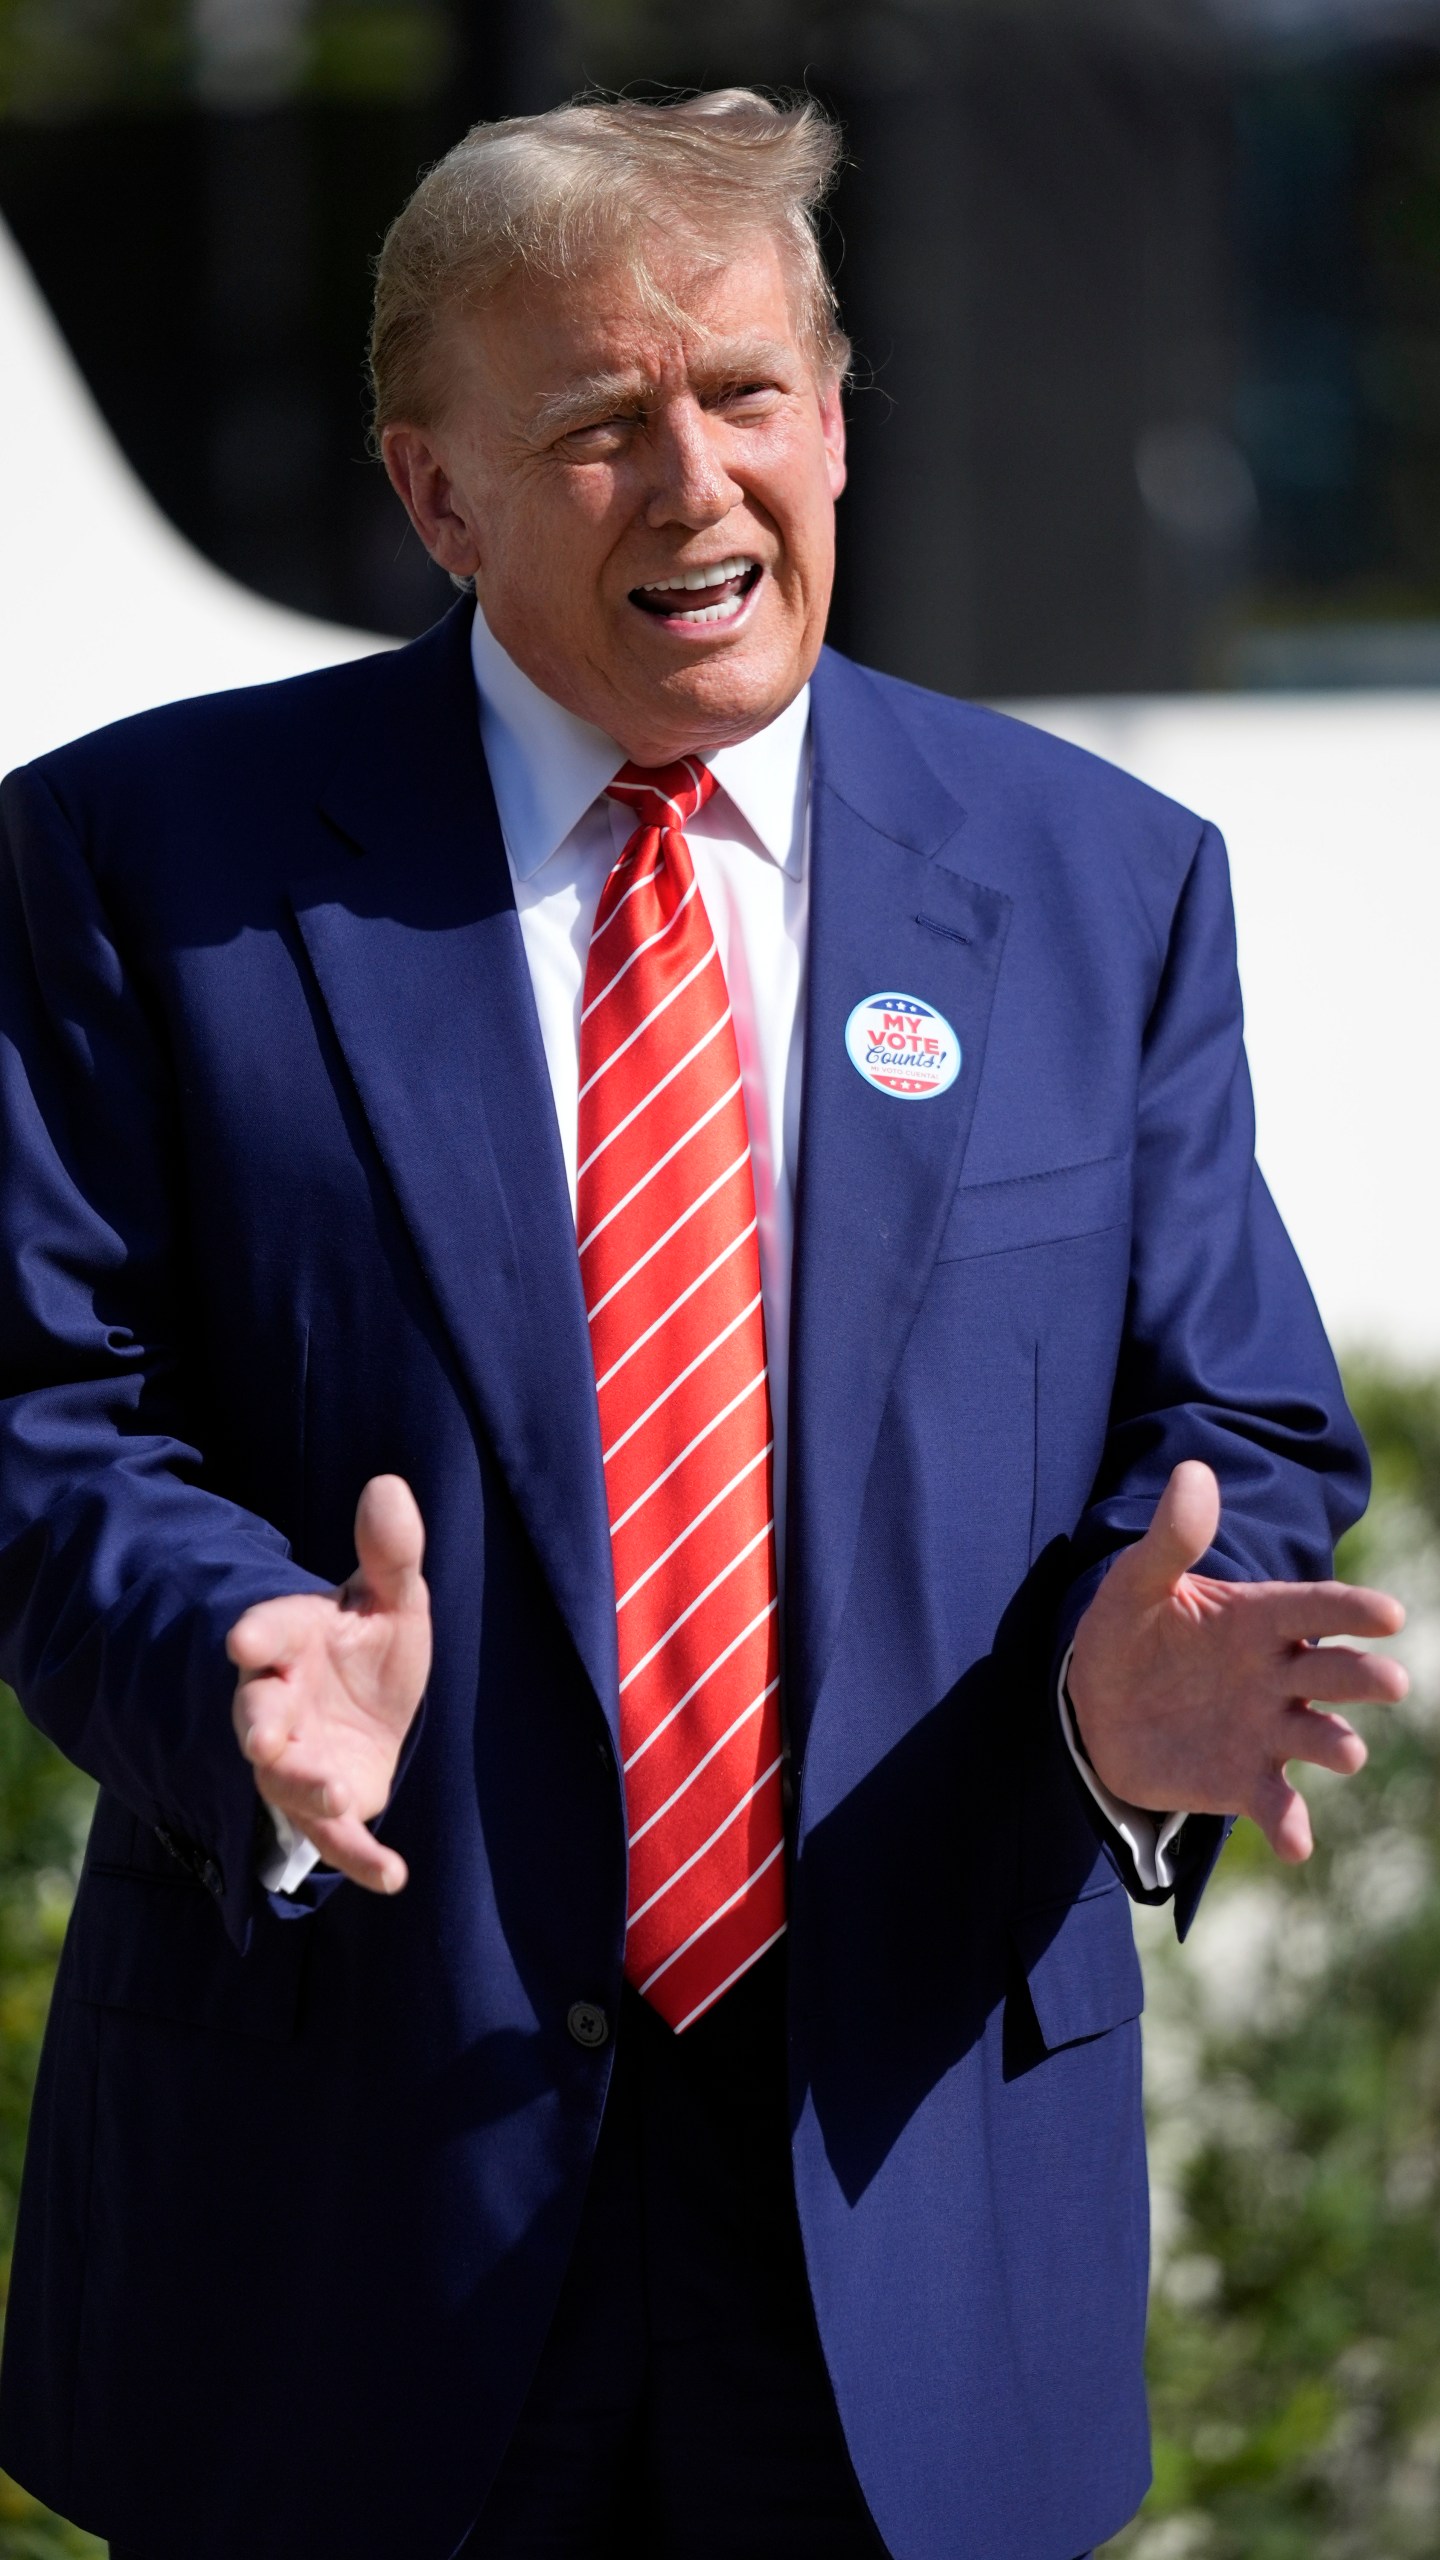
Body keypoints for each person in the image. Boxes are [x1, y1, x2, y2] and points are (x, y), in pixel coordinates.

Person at [0, 89, 1407, 2560]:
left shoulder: (1099, 878)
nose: (695, 482)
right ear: (435, 496)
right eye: (596, 424)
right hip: (343, 2203)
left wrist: (1125, 1673)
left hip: (913, 2188)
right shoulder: (146, 865)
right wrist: (233, 1648)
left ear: (837, 418)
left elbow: (1235, 1412)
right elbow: (38, 1408)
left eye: (748, 394)